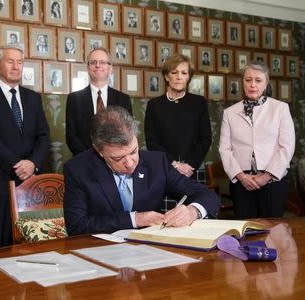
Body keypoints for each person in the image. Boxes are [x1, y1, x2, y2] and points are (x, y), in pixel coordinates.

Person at [64, 106, 220, 235]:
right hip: (99, 255)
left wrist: (193, 211)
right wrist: (135, 219)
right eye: (118, 159)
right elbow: (76, 225)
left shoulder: (157, 163)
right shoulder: (77, 170)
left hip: (150, 254)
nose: (130, 163)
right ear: (99, 151)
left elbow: (208, 195)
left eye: (133, 151)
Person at [0, 44, 50, 249]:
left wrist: (33, 163)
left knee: (32, 244)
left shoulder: (33, 98)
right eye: (10, 61)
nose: (16, 66)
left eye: (20, 62)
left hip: (32, 182)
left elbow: (43, 135)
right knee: (1, 245)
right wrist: (18, 165)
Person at [219, 60, 295, 219]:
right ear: (243, 82)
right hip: (242, 183)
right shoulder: (230, 113)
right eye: (248, 80)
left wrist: (265, 177)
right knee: (245, 232)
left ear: (266, 83)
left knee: (272, 233)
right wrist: (241, 176)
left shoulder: (280, 108)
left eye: (258, 80)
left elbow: (286, 148)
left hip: (272, 182)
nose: (252, 84)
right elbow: (224, 150)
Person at [145, 54, 212, 179]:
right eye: (174, 72)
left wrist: (190, 165)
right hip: (165, 169)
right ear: (166, 76)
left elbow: (205, 139)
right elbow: (151, 142)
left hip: (192, 170)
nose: (179, 77)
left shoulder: (199, 103)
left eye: (184, 73)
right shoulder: (154, 105)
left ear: (189, 77)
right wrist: (175, 165)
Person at [65, 47, 132, 156]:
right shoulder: (74, 99)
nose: (98, 65)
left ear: (110, 68)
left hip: (116, 160)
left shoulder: (123, 99)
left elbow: (128, 133)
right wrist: (89, 158)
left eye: (102, 62)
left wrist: (113, 155)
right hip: (84, 160)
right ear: (88, 67)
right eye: (93, 62)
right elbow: (71, 136)